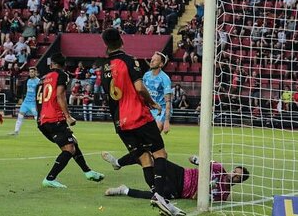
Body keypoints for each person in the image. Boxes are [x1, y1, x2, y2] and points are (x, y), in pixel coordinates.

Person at [100, 28, 184, 216]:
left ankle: (157, 194)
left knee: (145, 159)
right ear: (121, 40)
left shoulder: (103, 66)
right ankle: (160, 196)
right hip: (138, 116)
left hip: (119, 122)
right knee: (160, 153)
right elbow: (139, 88)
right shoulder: (130, 60)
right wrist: (152, 103)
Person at [36, 53, 104, 189]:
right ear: (63, 65)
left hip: (42, 119)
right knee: (69, 148)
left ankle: (88, 171)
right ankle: (50, 178)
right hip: (54, 118)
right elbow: (60, 95)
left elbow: (39, 99)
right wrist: (67, 116)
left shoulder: (42, 78)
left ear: (51, 64)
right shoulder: (62, 75)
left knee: (73, 142)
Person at [101, 51, 173, 169]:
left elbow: (168, 101)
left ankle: (119, 163)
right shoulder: (146, 75)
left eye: (155, 60)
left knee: (153, 148)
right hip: (147, 110)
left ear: (161, 64)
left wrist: (167, 120)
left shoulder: (165, 78)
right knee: (147, 150)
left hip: (160, 111)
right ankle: (120, 163)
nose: (152, 61)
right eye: (151, 59)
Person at [105, 155, 249, 205]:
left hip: (179, 190)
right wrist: (197, 160)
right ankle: (118, 163)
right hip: (181, 173)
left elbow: (195, 197)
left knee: (157, 197)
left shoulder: (223, 195)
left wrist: (209, 187)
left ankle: (123, 190)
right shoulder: (219, 167)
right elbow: (194, 159)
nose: (233, 174)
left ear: (239, 182)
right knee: (150, 157)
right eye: (235, 171)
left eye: (237, 176)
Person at [9, 67, 40, 136]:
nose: (31, 73)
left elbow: (40, 93)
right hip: (26, 102)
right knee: (20, 116)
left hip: (33, 103)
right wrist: (22, 99)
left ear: (35, 73)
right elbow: (25, 91)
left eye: (32, 72)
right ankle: (16, 131)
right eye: (30, 72)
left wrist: (37, 102)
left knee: (37, 118)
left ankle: (44, 131)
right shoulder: (28, 81)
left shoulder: (38, 81)